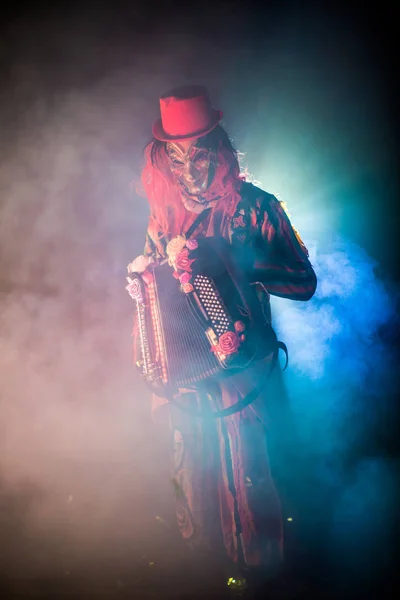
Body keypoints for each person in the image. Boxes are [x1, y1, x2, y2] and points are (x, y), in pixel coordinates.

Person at [129, 85, 317, 582]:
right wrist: (142, 285)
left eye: (199, 155)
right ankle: (203, 570)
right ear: (164, 156)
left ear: (220, 148)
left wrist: (242, 268)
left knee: (252, 469)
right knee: (190, 463)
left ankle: (265, 573)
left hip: (246, 366)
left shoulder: (258, 206)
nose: (188, 170)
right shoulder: (162, 210)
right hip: (186, 367)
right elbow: (154, 273)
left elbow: (304, 283)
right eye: (177, 156)